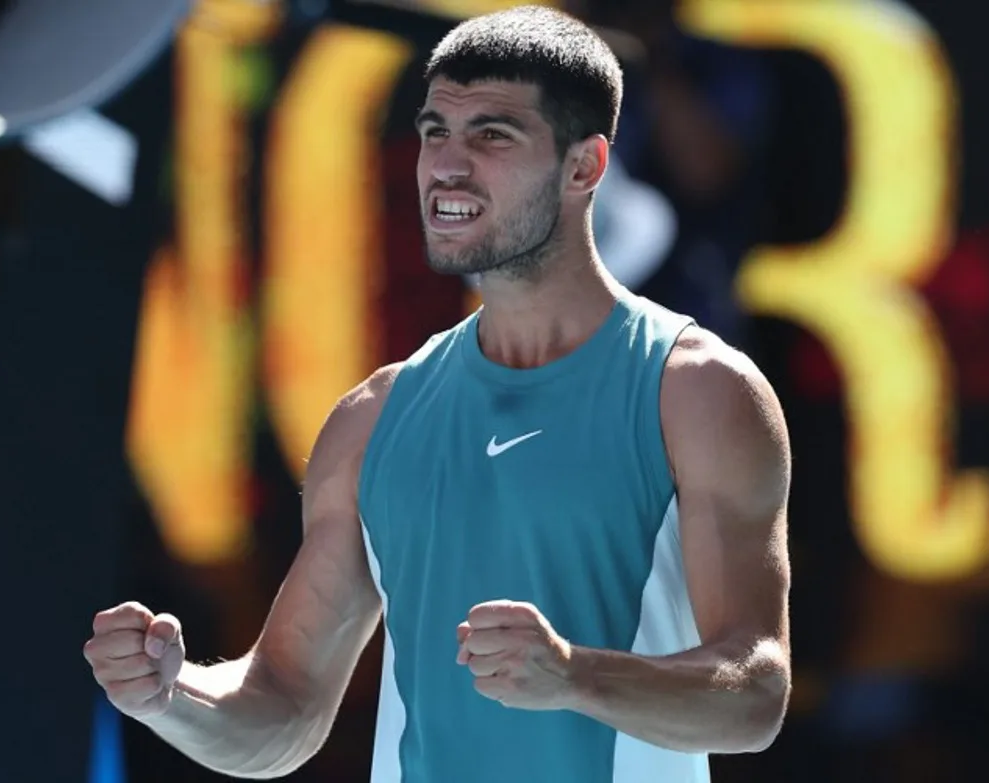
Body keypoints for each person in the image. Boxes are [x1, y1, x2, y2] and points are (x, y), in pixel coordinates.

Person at [83, 7, 792, 782]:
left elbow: (754, 695)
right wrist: (167, 693)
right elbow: (281, 711)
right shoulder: (374, 418)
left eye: (491, 135)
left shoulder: (697, 392)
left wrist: (574, 676)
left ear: (584, 166)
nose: (447, 166)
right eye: (433, 133)